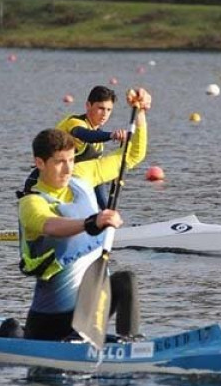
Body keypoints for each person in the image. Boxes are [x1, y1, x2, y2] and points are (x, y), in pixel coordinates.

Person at [18, 88, 151, 342]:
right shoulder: (31, 202)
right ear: (40, 163)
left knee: (125, 281)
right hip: (51, 324)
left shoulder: (83, 175)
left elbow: (132, 155)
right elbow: (51, 226)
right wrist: (92, 222)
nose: (68, 168)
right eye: (60, 162)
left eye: (71, 160)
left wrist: (141, 112)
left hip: (90, 310)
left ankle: (130, 343)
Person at [18, 86, 128, 209]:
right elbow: (86, 135)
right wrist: (112, 135)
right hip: (39, 184)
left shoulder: (98, 144)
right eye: (101, 108)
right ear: (88, 105)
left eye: (109, 110)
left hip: (63, 188)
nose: (105, 114)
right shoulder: (74, 123)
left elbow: (97, 182)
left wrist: (107, 209)